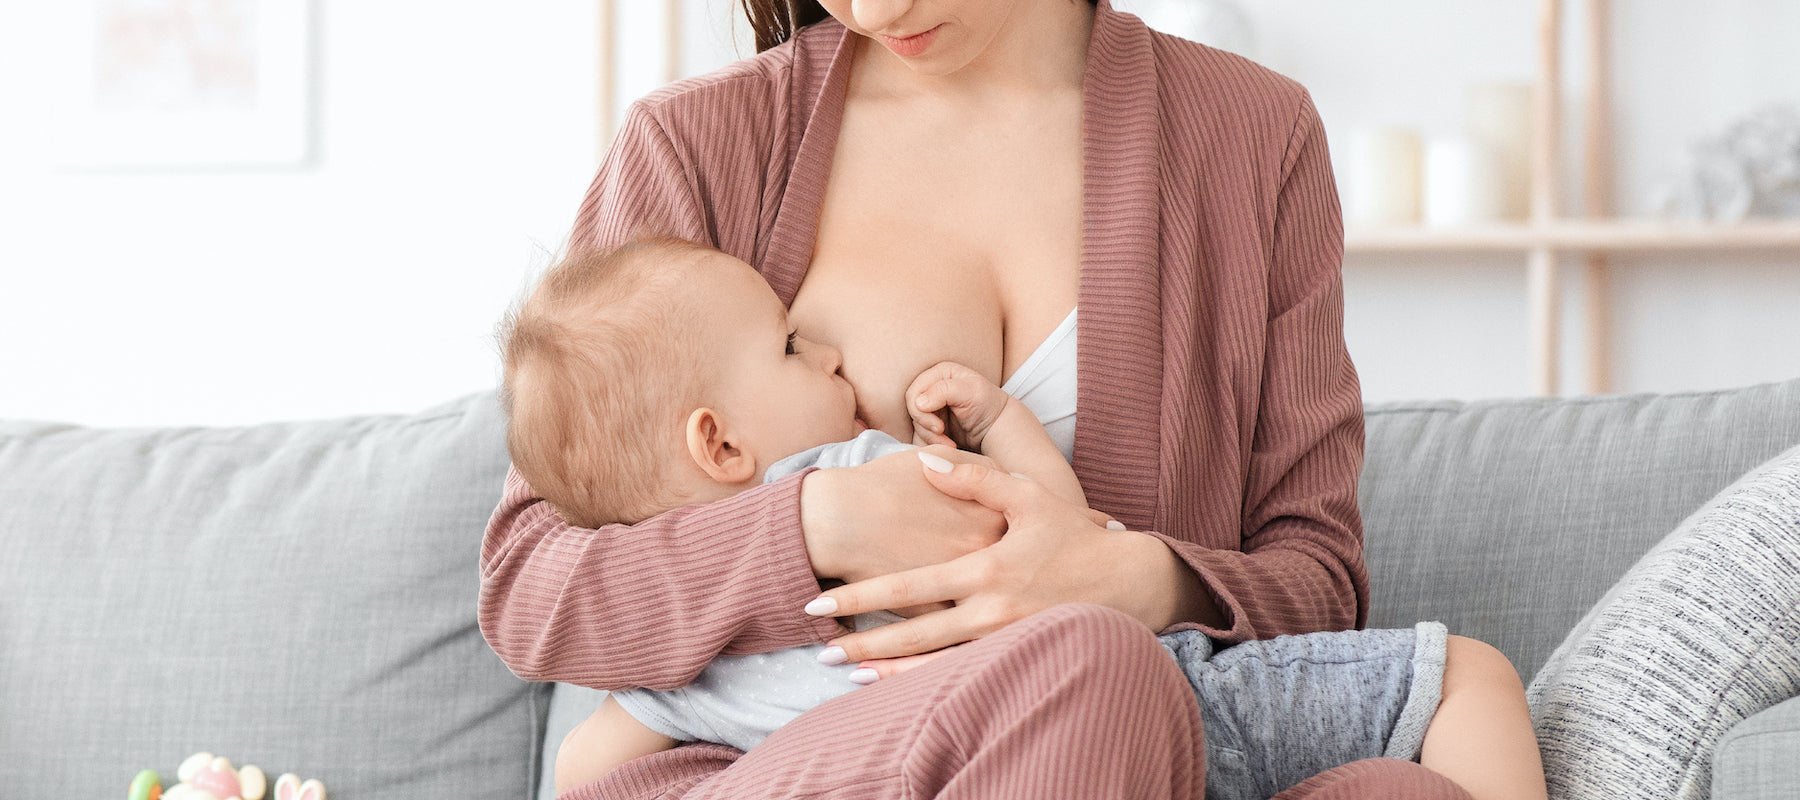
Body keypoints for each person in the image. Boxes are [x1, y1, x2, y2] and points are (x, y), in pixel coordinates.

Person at [479, 1, 1509, 797]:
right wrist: (815, 520)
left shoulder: (1253, 137)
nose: (877, 10)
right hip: (780, 765)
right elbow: (532, 588)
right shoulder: (701, 143)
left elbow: (1319, 581)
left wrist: (1134, 576)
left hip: (1126, 746)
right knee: (1098, 672)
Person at [499, 238, 1548, 800]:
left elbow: (590, 764)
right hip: (1174, 701)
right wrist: (992, 427)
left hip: (1117, 730)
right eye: (788, 347)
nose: (827, 358)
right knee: (1463, 673)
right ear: (721, 445)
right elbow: (1062, 529)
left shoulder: (678, 672)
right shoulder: (868, 471)